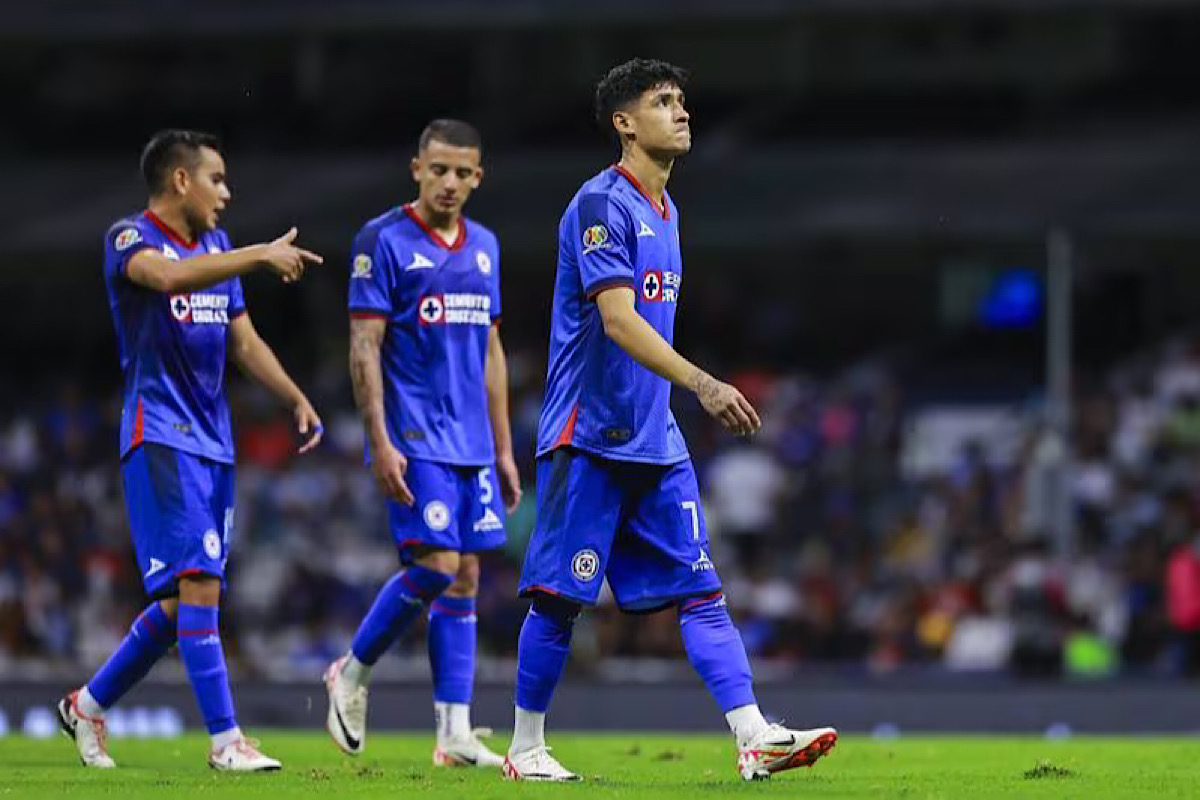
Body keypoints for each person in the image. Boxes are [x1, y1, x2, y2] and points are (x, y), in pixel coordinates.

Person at [503, 59, 837, 782]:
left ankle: (754, 736)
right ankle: (525, 748)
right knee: (562, 602)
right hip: (587, 435)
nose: (681, 112)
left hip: (654, 439)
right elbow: (618, 322)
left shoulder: (667, 211)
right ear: (625, 123)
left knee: (702, 590)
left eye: (683, 101)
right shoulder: (601, 205)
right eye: (662, 102)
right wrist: (704, 383)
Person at [58, 129, 324, 771]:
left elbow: (244, 342)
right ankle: (226, 741)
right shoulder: (129, 238)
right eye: (218, 179)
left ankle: (87, 705)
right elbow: (172, 277)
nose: (227, 193)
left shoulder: (218, 245)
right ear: (182, 180)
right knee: (201, 585)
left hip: (213, 440)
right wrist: (259, 256)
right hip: (160, 432)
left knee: (181, 607)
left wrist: (294, 396)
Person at [325, 119, 519, 769]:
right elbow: (364, 348)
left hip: (472, 444)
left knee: (464, 577)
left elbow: (491, 351)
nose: (450, 183)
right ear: (417, 169)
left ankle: (454, 733)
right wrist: (378, 439)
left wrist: (504, 448)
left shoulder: (486, 246)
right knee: (435, 567)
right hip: (414, 436)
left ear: (479, 178)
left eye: (463, 173)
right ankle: (350, 673)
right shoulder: (380, 241)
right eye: (439, 169)